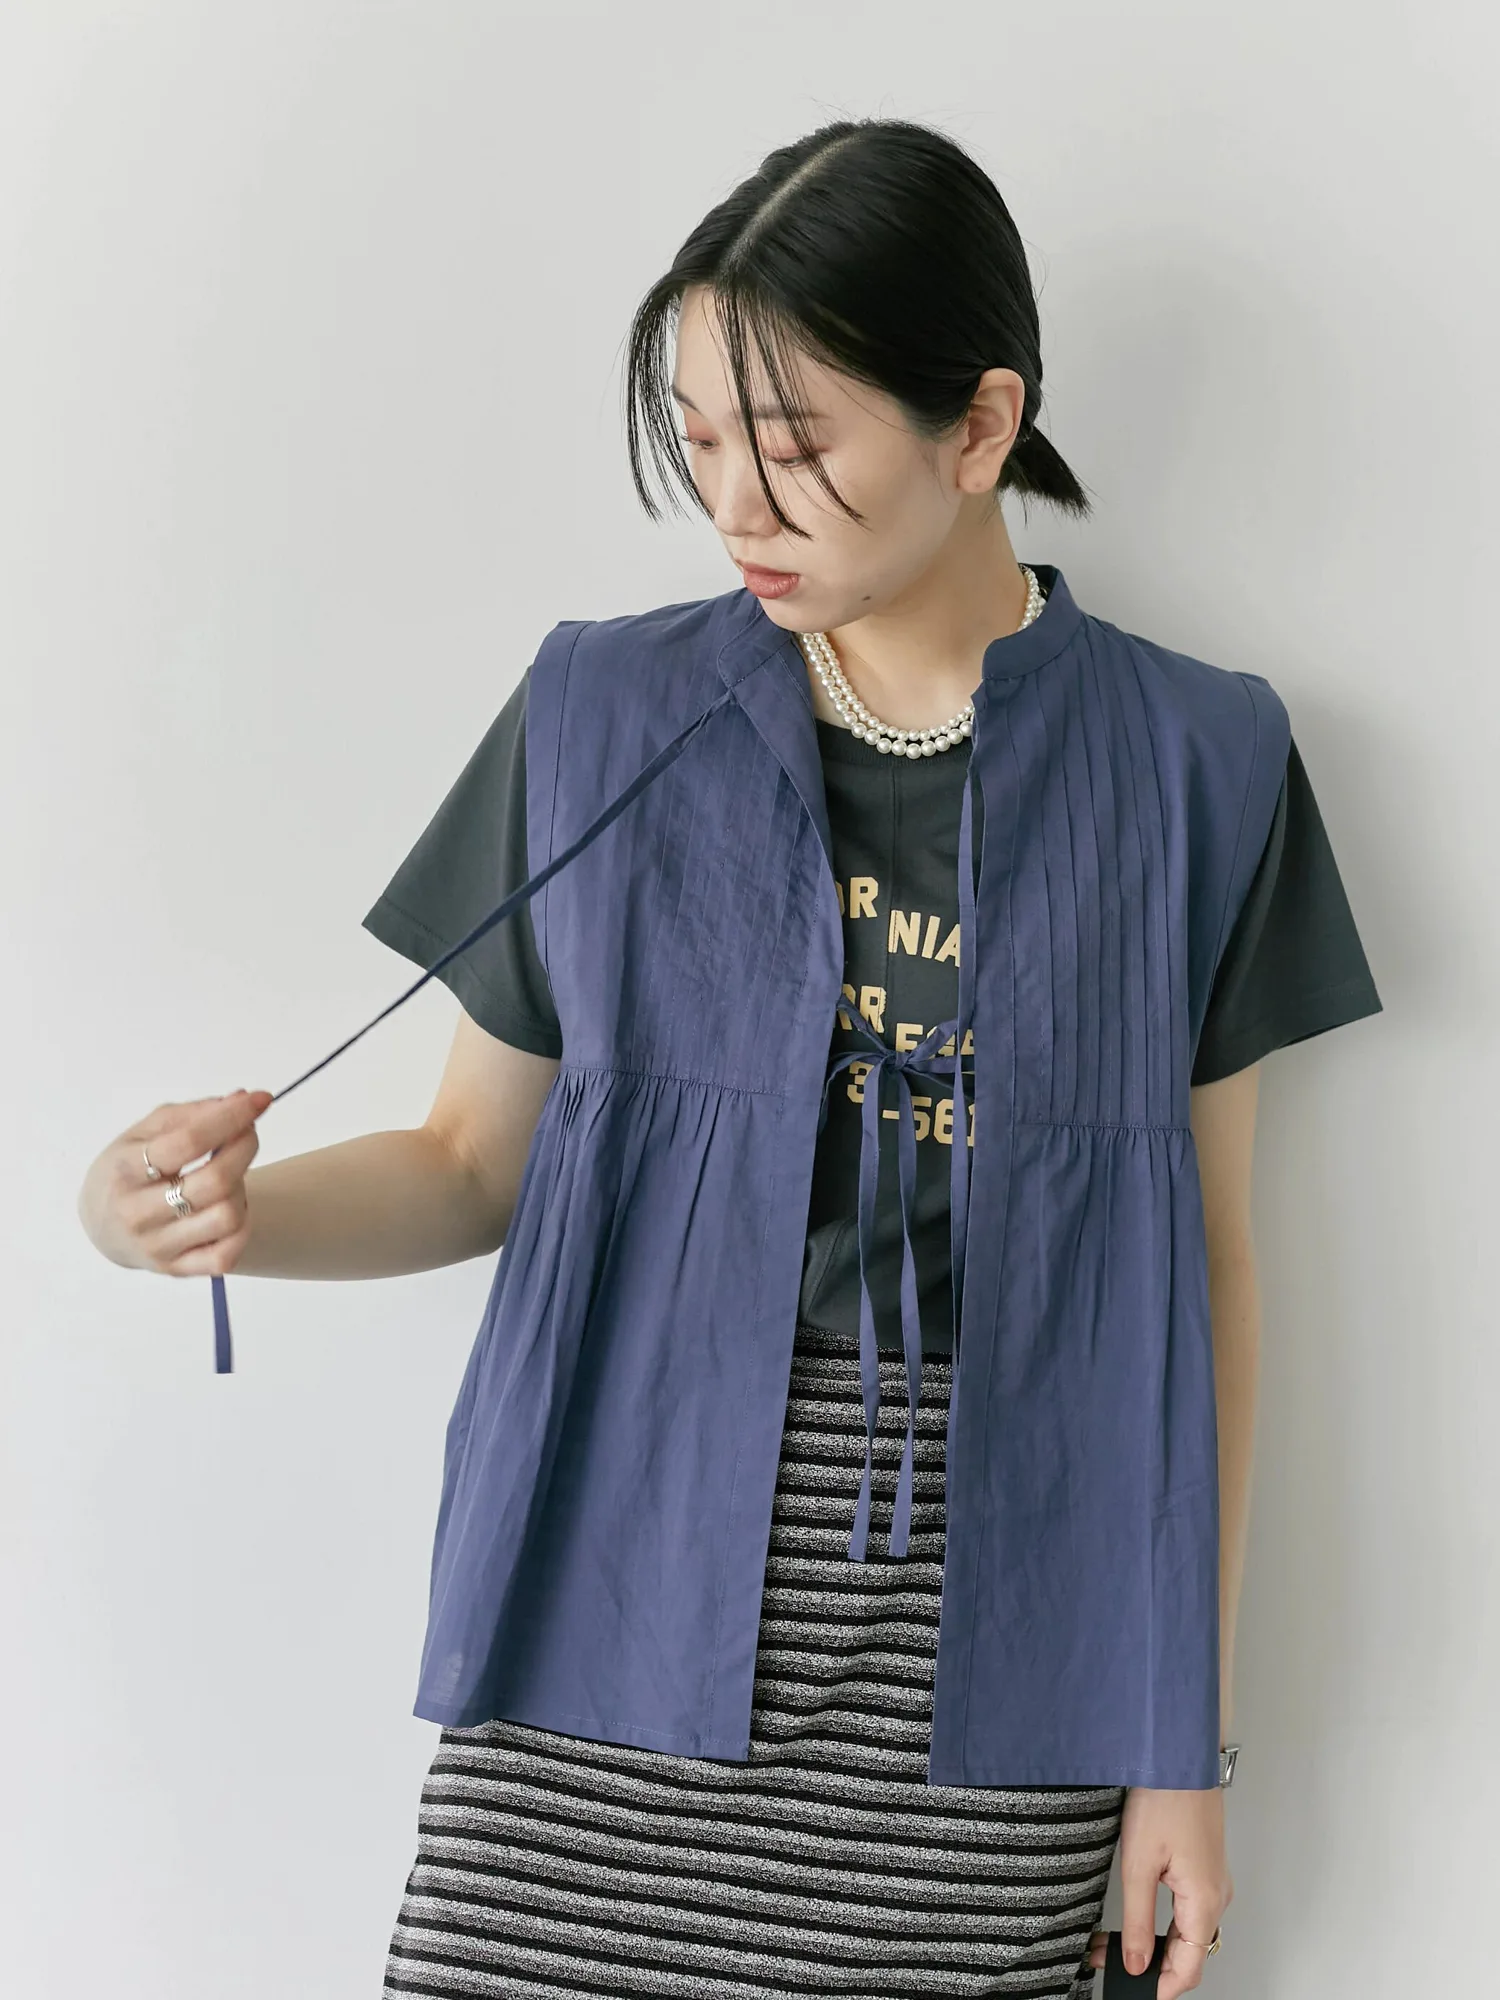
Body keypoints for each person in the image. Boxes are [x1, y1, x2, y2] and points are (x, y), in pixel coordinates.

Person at [77, 117, 1382, 2000]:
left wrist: (1181, 1736)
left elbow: (1211, 1271)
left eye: (792, 447)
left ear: (982, 426)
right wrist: (207, 1219)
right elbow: (468, 1162)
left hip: (1007, 1625)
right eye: (698, 446)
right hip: (619, 1575)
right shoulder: (606, 712)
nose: (736, 508)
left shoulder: (1199, 763)